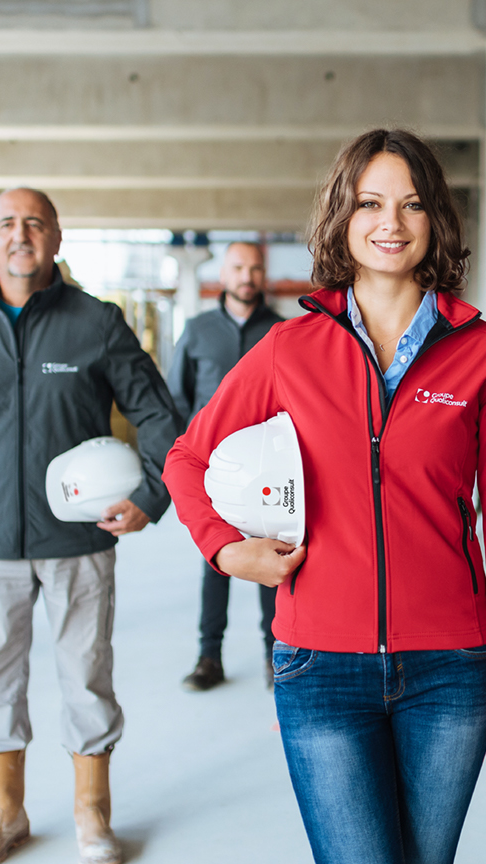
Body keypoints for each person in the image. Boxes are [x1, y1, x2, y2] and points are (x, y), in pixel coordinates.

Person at [162, 129, 486, 864]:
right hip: (321, 667)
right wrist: (223, 547)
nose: (392, 223)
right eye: (371, 203)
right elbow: (188, 457)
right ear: (342, 218)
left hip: (453, 670)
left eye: (412, 204)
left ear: (436, 218)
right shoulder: (289, 349)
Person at [0, 188, 181, 864]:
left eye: (35, 224)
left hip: (80, 542)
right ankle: (3, 814)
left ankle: (92, 817)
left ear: (56, 237)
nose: (21, 236)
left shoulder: (96, 323)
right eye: (7, 224)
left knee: (86, 677)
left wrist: (153, 494)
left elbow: (158, 413)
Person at [168, 241, 285, 692]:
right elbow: (177, 398)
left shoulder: (282, 330)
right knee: (215, 562)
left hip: (267, 473)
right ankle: (208, 658)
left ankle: (275, 657)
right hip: (210, 472)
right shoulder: (197, 330)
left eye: (255, 268)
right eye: (239, 267)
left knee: (271, 562)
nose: (247, 276)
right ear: (224, 272)